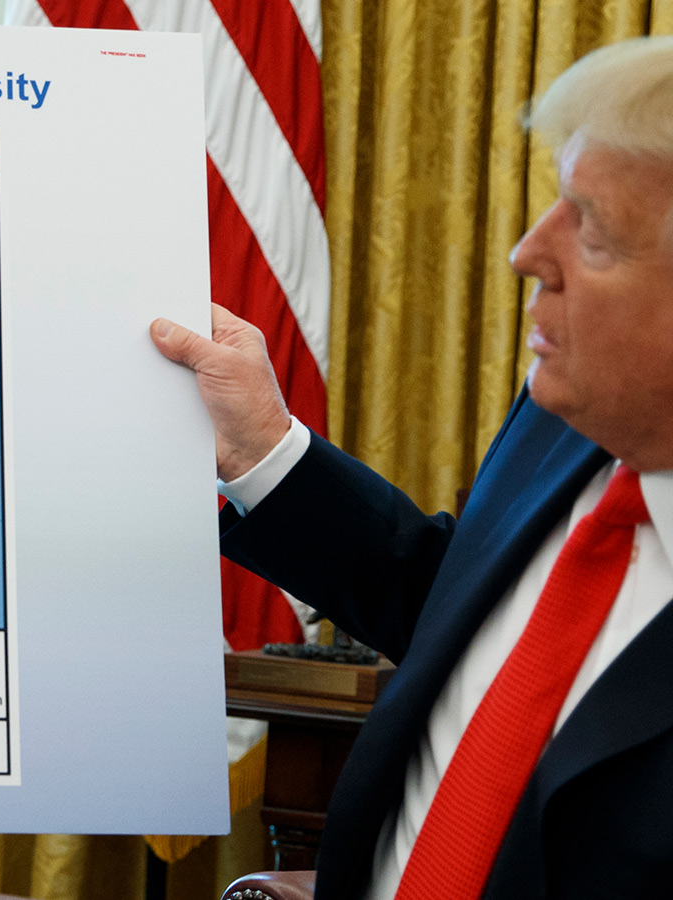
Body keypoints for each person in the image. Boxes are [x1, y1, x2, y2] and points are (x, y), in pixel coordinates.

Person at [149, 36, 673, 900]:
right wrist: (263, 449)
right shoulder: (563, 415)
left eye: (593, 231)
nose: (526, 254)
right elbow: (462, 615)